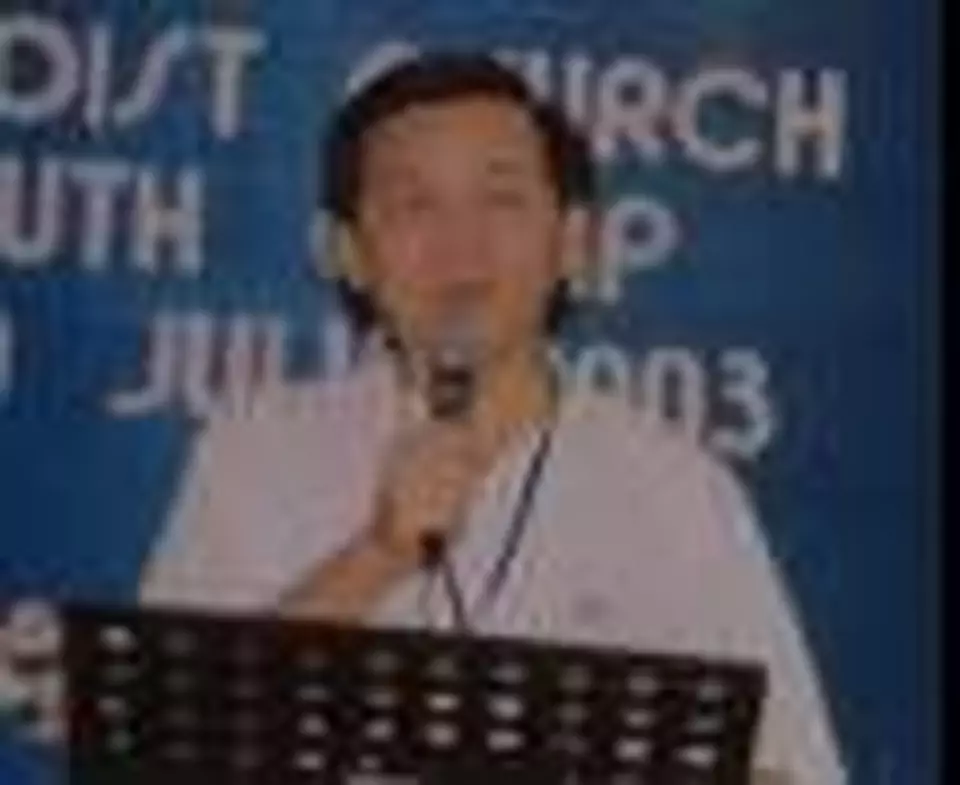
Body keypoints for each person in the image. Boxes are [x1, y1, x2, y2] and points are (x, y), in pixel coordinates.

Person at [139, 53, 846, 784]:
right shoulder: (255, 453)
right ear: (348, 254)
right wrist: (375, 556)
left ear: (571, 241)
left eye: (501, 199)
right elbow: (156, 746)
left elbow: (791, 768)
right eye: (415, 204)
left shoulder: (681, 490)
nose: (461, 244)